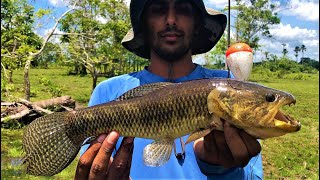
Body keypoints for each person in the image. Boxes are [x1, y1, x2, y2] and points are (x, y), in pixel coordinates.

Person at [74, 0, 263, 179]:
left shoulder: (230, 88)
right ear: (144, 25)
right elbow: (94, 167)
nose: (171, 20)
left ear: (197, 24)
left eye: (182, 9)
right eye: (158, 9)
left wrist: (222, 168)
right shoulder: (107, 92)